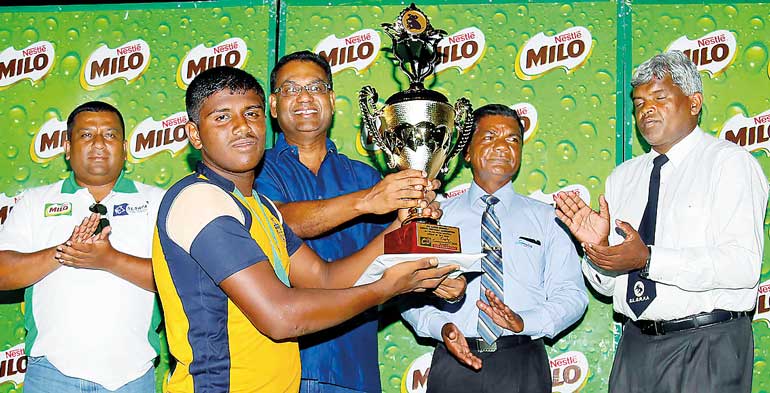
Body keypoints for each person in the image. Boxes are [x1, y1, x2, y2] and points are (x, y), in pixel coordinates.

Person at [153, 66, 458, 393]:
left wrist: (400, 226)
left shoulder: (262, 208)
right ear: (195, 134)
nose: (242, 127)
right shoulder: (199, 199)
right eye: (222, 117)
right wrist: (386, 288)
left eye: (250, 113)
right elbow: (281, 316)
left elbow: (326, 279)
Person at [554, 50, 768, 392]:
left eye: (659, 97)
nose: (646, 109)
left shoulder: (729, 164)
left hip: (707, 343)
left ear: (694, 103)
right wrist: (598, 251)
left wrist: (650, 259)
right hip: (635, 347)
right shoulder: (622, 178)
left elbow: (742, 266)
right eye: (639, 102)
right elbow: (611, 287)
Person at [255, 50, 465, 392]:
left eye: (316, 87)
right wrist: (368, 201)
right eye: (291, 89)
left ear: (332, 100)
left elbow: (387, 258)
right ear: (274, 106)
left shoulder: (367, 176)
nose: (305, 97)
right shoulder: (256, 171)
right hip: (285, 367)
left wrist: (433, 272)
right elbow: (277, 222)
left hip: (357, 367)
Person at [402, 104, 588, 393]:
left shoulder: (549, 219)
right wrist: (442, 327)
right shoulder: (436, 216)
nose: (502, 147)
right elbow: (407, 290)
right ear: (466, 152)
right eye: (489, 137)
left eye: (513, 140)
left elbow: (572, 295)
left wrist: (524, 321)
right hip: (454, 361)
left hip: (523, 361)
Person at [0, 101, 163, 392]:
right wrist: (64, 251)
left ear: (124, 148)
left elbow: (180, 278)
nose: (99, 144)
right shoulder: (35, 202)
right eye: (86, 135)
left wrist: (109, 260)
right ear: (67, 147)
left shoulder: (158, 202)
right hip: (51, 373)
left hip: (133, 375)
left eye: (110, 135)